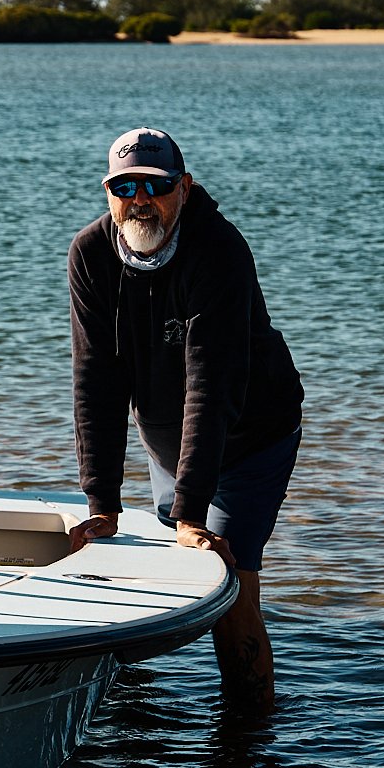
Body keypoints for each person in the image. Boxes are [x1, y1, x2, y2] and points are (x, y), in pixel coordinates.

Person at [66, 127, 303, 708]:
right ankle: (128, 726)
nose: (141, 199)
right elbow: (96, 382)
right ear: (107, 192)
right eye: (125, 187)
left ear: (185, 187)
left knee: (229, 582)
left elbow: (211, 388)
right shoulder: (90, 254)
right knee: (148, 569)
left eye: (156, 185)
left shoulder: (219, 250)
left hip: (250, 437)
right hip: (168, 440)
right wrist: (102, 503)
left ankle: (249, 734)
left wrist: (192, 515)